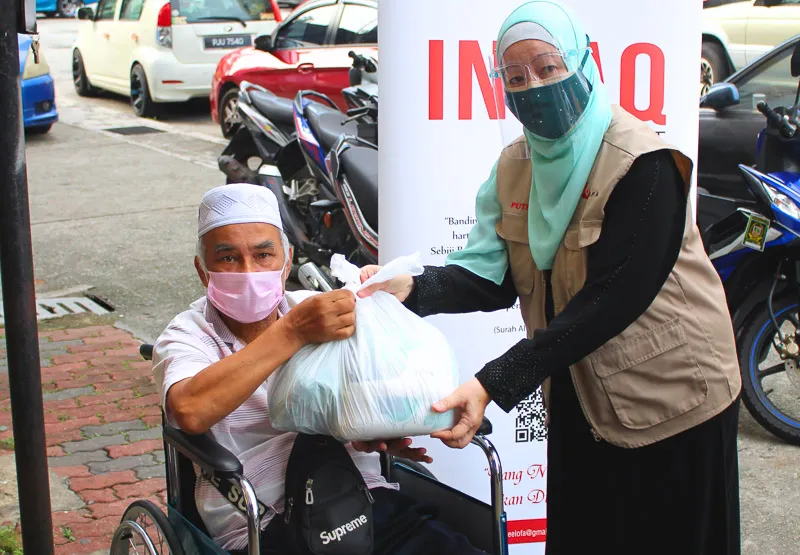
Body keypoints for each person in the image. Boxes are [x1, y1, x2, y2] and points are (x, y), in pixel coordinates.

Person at [355, 2, 742, 554]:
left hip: (672, 393)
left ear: (584, 64)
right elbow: (489, 278)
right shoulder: (515, 165)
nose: (533, 85)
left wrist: (492, 382)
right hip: (581, 389)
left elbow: (613, 299)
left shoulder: (643, 162)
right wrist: (409, 290)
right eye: (515, 77)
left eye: (548, 67)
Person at [152, 183, 487, 555]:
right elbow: (189, 411)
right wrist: (292, 331)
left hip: (359, 494)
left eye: (264, 255)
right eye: (228, 258)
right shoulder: (188, 335)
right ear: (203, 270)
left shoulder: (322, 310)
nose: (248, 270)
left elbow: (372, 389)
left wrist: (380, 427)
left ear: (286, 260)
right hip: (266, 520)